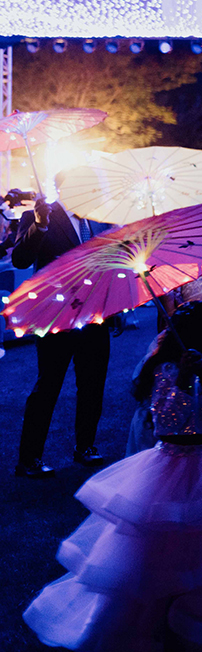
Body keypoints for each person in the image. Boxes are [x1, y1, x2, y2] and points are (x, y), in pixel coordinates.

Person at [23, 302, 202, 652]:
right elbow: (165, 419)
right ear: (193, 332)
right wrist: (185, 382)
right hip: (172, 465)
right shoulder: (166, 367)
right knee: (161, 545)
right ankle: (152, 620)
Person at [11, 196, 110, 477]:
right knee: (48, 386)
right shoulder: (38, 216)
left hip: (95, 316)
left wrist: (114, 309)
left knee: (93, 385)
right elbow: (20, 259)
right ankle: (29, 459)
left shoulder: (96, 218)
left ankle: (85, 447)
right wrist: (40, 225)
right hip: (56, 317)